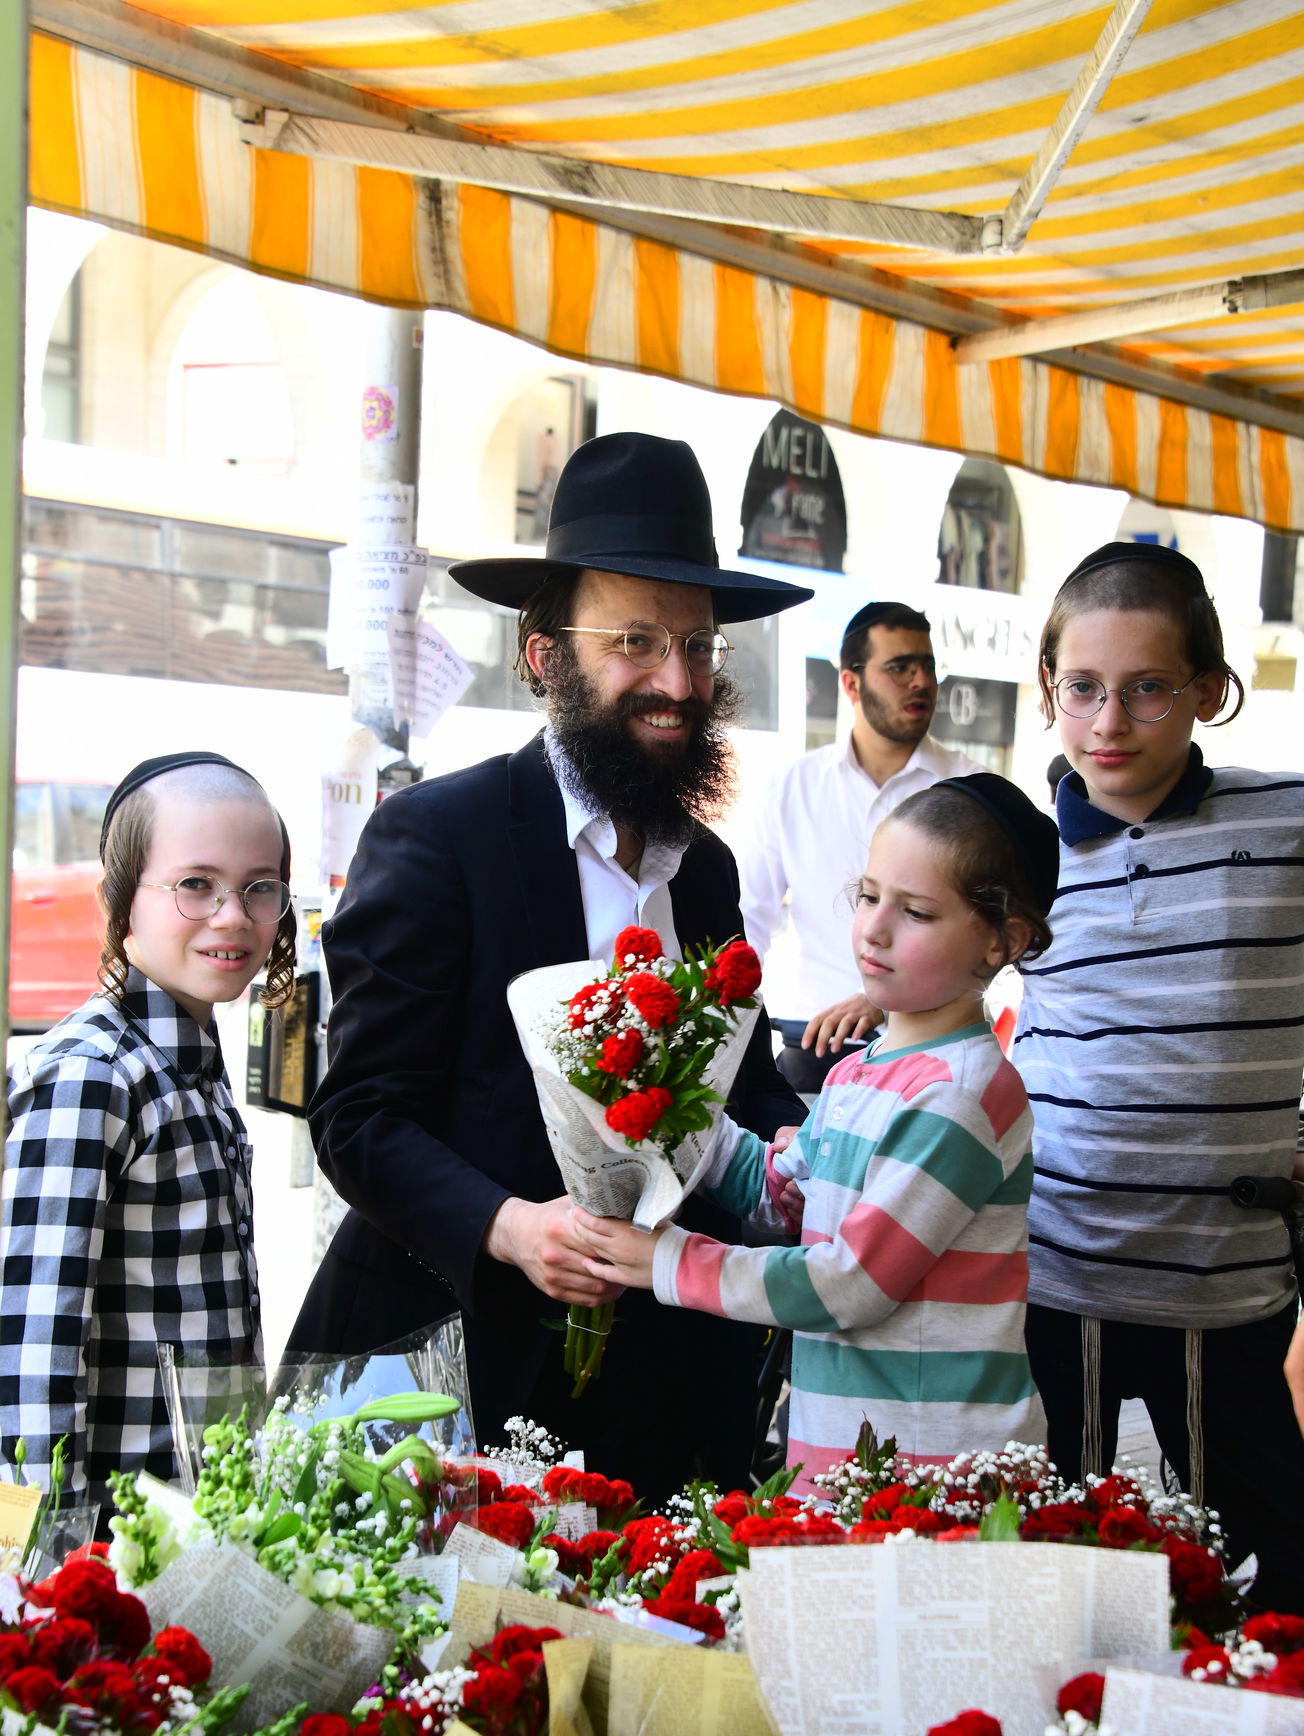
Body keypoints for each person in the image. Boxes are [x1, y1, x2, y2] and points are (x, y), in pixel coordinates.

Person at [286, 432, 810, 1507]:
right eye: (634, 642)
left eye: (699, 647)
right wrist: (514, 1228)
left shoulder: (705, 873)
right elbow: (361, 1120)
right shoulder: (437, 839)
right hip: (454, 1377)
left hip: (663, 1389)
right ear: (543, 657)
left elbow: (736, 1096)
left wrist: (793, 1153)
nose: (676, 683)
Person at [578, 775, 1057, 1484]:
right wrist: (666, 1110)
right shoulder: (862, 1071)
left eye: (917, 912)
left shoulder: (959, 1095)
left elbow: (849, 1283)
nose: (874, 928)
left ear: (1000, 943)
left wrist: (665, 1263)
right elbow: (785, 1199)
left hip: (931, 1471)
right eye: (867, 896)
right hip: (848, 1454)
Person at [1016, 541, 1304, 1612]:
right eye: (1081, 689)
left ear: (1207, 692)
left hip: (1227, 1290)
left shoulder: (1283, 822)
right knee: (1066, 1570)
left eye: (1146, 689)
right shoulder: (1014, 853)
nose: (1109, 723)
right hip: (1057, 1280)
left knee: (1268, 1574)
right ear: (1047, 688)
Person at [0, 752, 296, 1517]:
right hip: (110, 1536)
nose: (232, 915)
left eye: (259, 887)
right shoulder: (92, 1074)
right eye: (195, 885)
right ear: (121, 898)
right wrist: (51, 1559)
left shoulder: (190, 1062)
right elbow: (32, 1349)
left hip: (200, 1516)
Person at [739, 601, 976, 1093]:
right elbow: (746, 927)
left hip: (938, 1055)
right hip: (816, 1049)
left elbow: (989, 935)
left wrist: (887, 999)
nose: (920, 682)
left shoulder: (972, 788)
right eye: (899, 668)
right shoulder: (793, 787)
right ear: (851, 683)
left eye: (928, 666)